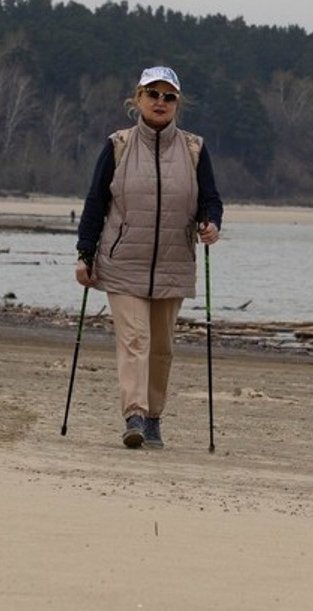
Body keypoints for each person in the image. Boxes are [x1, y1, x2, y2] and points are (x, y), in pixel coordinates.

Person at [75, 65, 223, 449]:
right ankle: (135, 415)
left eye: (168, 96)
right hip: (122, 261)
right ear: (137, 98)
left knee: (161, 347)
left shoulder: (194, 148)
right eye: (153, 94)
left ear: (177, 103)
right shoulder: (118, 144)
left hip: (174, 262)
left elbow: (210, 199)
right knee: (135, 340)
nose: (160, 102)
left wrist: (211, 223)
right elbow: (96, 202)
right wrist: (84, 253)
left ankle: (154, 417)